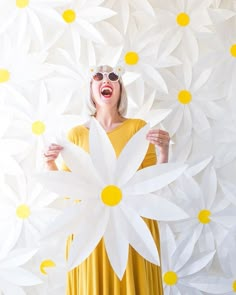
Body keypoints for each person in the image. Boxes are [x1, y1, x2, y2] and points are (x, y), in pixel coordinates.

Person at [44, 65, 170, 295]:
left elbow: (153, 182)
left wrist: (163, 152)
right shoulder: (76, 134)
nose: (106, 80)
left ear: (120, 89)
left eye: (113, 77)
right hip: (90, 225)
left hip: (131, 223)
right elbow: (69, 189)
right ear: (91, 89)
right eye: (98, 77)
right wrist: (50, 164)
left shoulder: (137, 128)